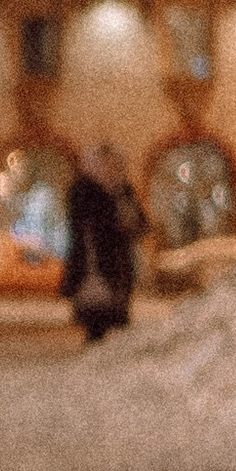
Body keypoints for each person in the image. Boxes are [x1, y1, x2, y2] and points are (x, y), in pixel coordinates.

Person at [63, 139, 142, 343]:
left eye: (114, 163)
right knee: (97, 318)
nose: (112, 168)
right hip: (95, 265)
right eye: (106, 162)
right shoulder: (84, 190)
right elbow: (91, 227)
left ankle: (107, 357)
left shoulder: (123, 190)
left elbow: (139, 223)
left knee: (116, 316)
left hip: (118, 265)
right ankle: (96, 354)